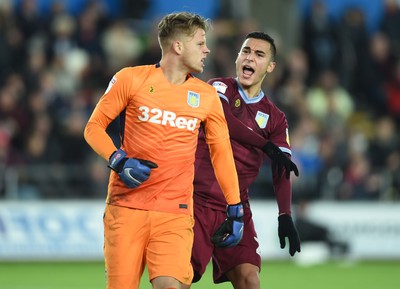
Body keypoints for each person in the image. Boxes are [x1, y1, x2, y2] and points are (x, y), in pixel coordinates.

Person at [83, 12, 244, 289]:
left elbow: (221, 153)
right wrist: (118, 160)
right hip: (126, 207)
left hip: (175, 211)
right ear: (178, 47)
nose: (207, 50)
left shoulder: (207, 97)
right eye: (200, 43)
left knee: (171, 286)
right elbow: (93, 127)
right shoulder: (130, 79)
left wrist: (235, 206)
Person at [183, 32, 301, 289]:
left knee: (249, 280)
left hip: (236, 207)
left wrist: (285, 215)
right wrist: (265, 145)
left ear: (270, 67)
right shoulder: (218, 87)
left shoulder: (276, 118)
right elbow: (225, 121)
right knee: (181, 279)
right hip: (197, 201)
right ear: (238, 58)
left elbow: (282, 168)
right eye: (245, 51)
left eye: (259, 54)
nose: (250, 57)